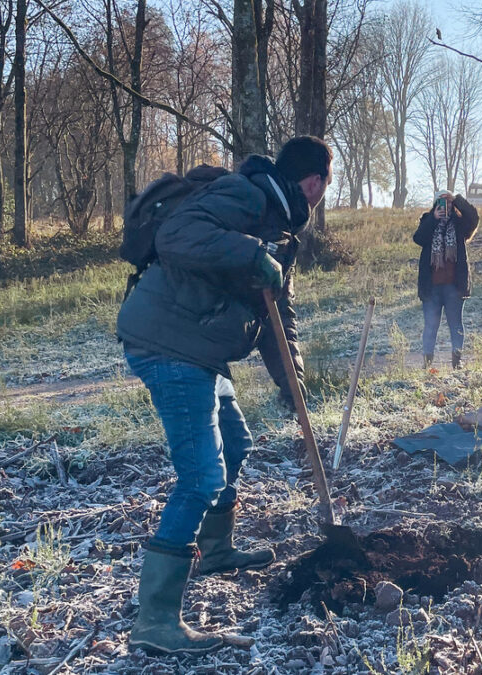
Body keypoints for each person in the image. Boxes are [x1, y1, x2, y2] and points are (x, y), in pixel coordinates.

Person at [116, 136, 332, 654]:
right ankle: (156, 620)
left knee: (236, 441)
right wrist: (253, 253)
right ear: (314, 182)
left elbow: (281, 317)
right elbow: (177, 236)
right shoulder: (247, 195)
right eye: (326, 183)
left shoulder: (280, 229)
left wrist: (293, 384)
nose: (324, 192)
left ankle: (215, 549)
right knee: (201, 475)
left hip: (201, 348)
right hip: (169, 344)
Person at [413, 191, 479, 369]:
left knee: (456, 325)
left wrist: (457, 199)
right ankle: (427, 365)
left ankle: (457, 363)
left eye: (448, 204)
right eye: (442, 203)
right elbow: (418, 238)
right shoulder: (428, 220)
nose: (446, 207)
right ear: (435, 205)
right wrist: (433, 219)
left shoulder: (460, 224)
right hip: (431, 287)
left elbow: (474, 218)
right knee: (430, 327)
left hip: (454, 287)